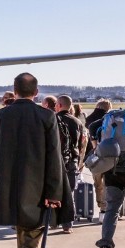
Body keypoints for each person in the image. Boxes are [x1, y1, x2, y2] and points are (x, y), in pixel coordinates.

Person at [0, 73, 63, 248]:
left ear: (14, 91)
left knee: (24, 237)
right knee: (31, 236)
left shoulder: (0, 116)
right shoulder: (47, 116)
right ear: (36, 92)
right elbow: (54, 156)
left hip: (7, 188)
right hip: (37, 190)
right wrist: (54, 192)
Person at [95, 94, 125, 248]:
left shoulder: (113, 117)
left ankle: (105, 245)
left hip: (113, 170)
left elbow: (92, 128)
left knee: (112, 209)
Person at [55, 95, 84, 234]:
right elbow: (81, 143)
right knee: (69, 194)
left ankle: (53, 222)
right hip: (72, 161)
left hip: (56, 161)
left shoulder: (54, 119)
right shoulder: (77, 121)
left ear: (59, 105)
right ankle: (67, 225)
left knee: (53, 192)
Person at [86, 99, 113, 213]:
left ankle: (101, 206)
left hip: (96, 156)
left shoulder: (91, 120)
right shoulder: (111, 120)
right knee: (109, 183)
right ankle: (107, 207)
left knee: (98, 183)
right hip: (110, 155)